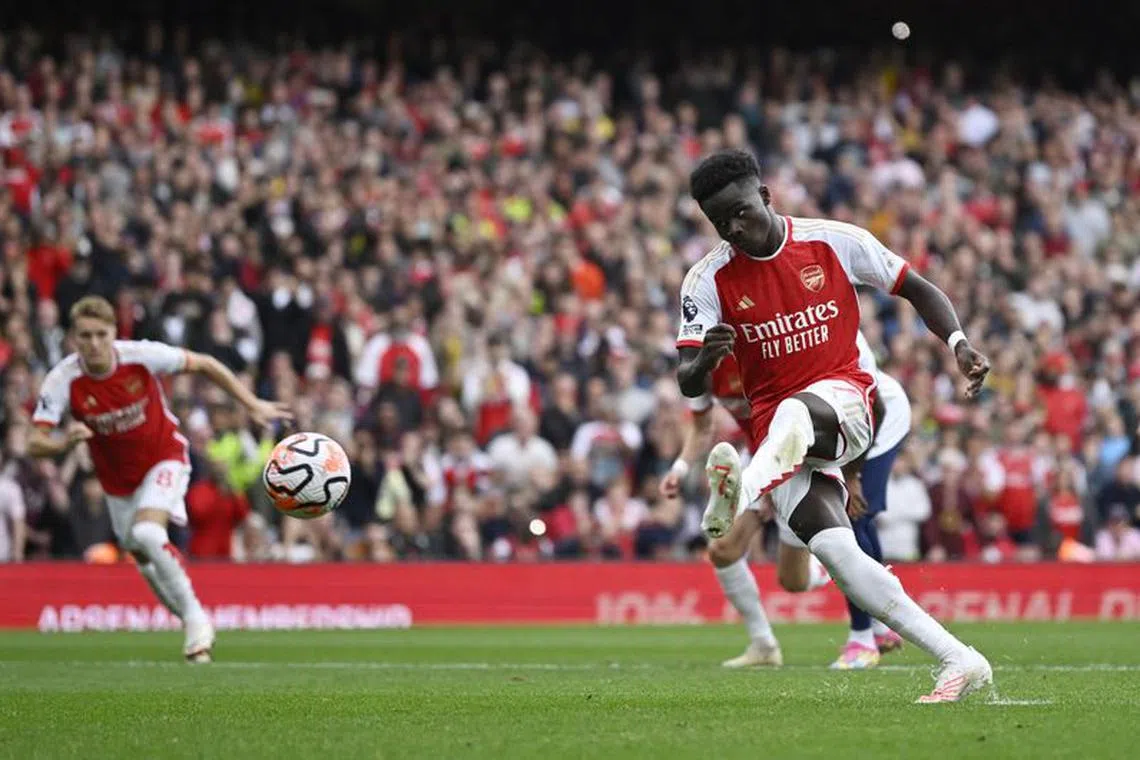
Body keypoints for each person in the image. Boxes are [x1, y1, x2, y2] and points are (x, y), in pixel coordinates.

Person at [676, 150, 992, 703]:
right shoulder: (707, 280)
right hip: (781, 437)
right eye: (719, 221)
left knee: (798, 412)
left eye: (741, 212)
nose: (733, 228)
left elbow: (917, 286)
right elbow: (686, 379)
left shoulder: (833, 241)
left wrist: (958, 344)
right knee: (841, 560)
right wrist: (704, 361)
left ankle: (739, 492)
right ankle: (962, 659)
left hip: (845, 402)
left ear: (766, 196)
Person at [29, 295, 292, 662]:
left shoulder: (140, 355)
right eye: (84, 336)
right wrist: (61, 441)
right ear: (73, 337)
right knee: (139, 552)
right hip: (118, 482)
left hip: (164, 457)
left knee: (148, 534)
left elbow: (205, 363)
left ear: (113, 334)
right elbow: (34, 440)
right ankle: (190, 619)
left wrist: (252, 404)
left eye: (100, 335)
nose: (92, 344)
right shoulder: (63, 379)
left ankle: (197, 618)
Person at [659, 331, 906, 670]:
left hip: (857, 421)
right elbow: (702, 427)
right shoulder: (701, 369)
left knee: (853, 513)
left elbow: (836, 410)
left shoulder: (771, 345)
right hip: (772, 448)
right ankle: (764, 644)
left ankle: (866, 637)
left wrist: (850, 476)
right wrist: (680, 467)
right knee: (739, 557)